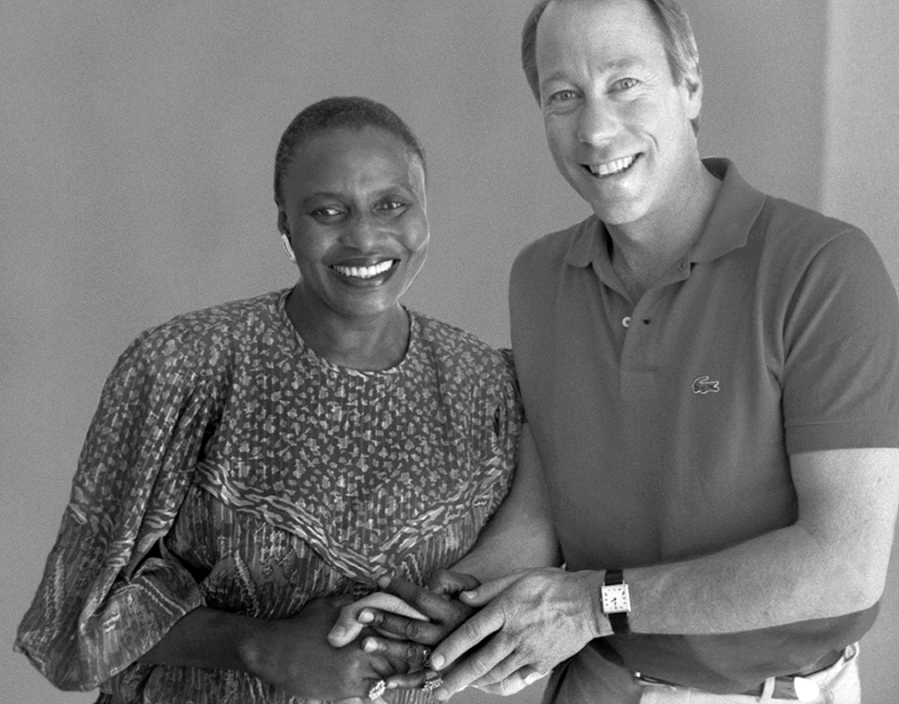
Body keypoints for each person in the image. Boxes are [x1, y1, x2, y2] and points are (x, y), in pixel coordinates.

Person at [364, 0, 899, 704]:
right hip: (595, 683)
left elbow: (843, 564)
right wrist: (451, 610)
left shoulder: (824, 269)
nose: (595, 128)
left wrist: (595, 603)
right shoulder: (539, 278)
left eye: (625, 83)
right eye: (565, 96)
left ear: (690, 87)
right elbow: (546, 502)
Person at [14, 96, 554, 703]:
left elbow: (516, 575)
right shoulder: (185, 367)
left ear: (425, 214)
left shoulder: (488, 387)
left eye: (391, 205)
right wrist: (261, 646)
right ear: (285, 226)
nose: (365, 237)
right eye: (327, 211)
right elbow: (76, 619)